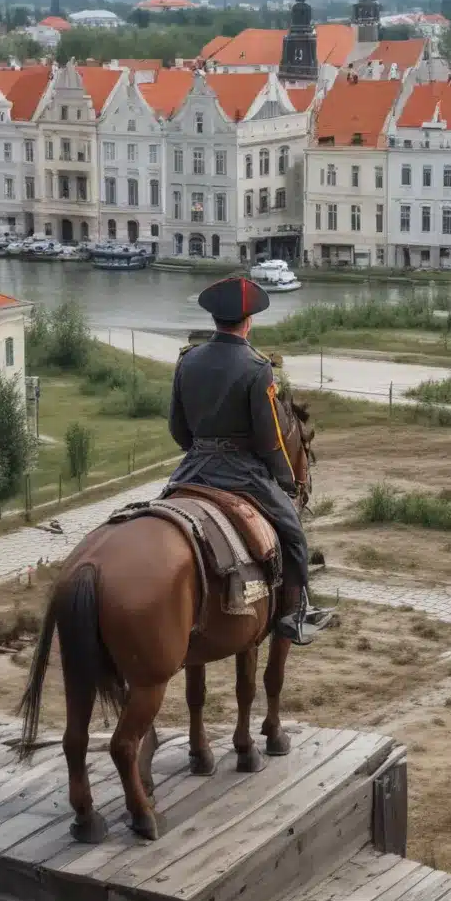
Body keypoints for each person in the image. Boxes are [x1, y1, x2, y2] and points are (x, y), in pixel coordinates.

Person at [165, 276, 325, 645]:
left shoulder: (187, 361)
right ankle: (296, 611)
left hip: (192, 470)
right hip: (242, 474)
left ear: (214, 320)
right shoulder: (257, 367)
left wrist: (201, 449)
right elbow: (270, 442)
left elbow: (178, 431)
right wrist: (285, 482)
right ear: (248, 321)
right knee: (295, 535)